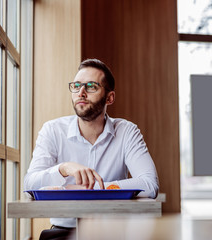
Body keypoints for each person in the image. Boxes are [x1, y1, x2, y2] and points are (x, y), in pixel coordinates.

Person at [24, 59, 159, 239]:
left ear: (109, 98)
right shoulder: (52, 130)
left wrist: (95, 188)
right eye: (76, 86)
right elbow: (29, 184)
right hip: (63, 233)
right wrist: (63, 168)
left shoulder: (127, 131)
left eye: (91, 87)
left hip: (112, 233)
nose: (81, 93)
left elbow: (150, 184)